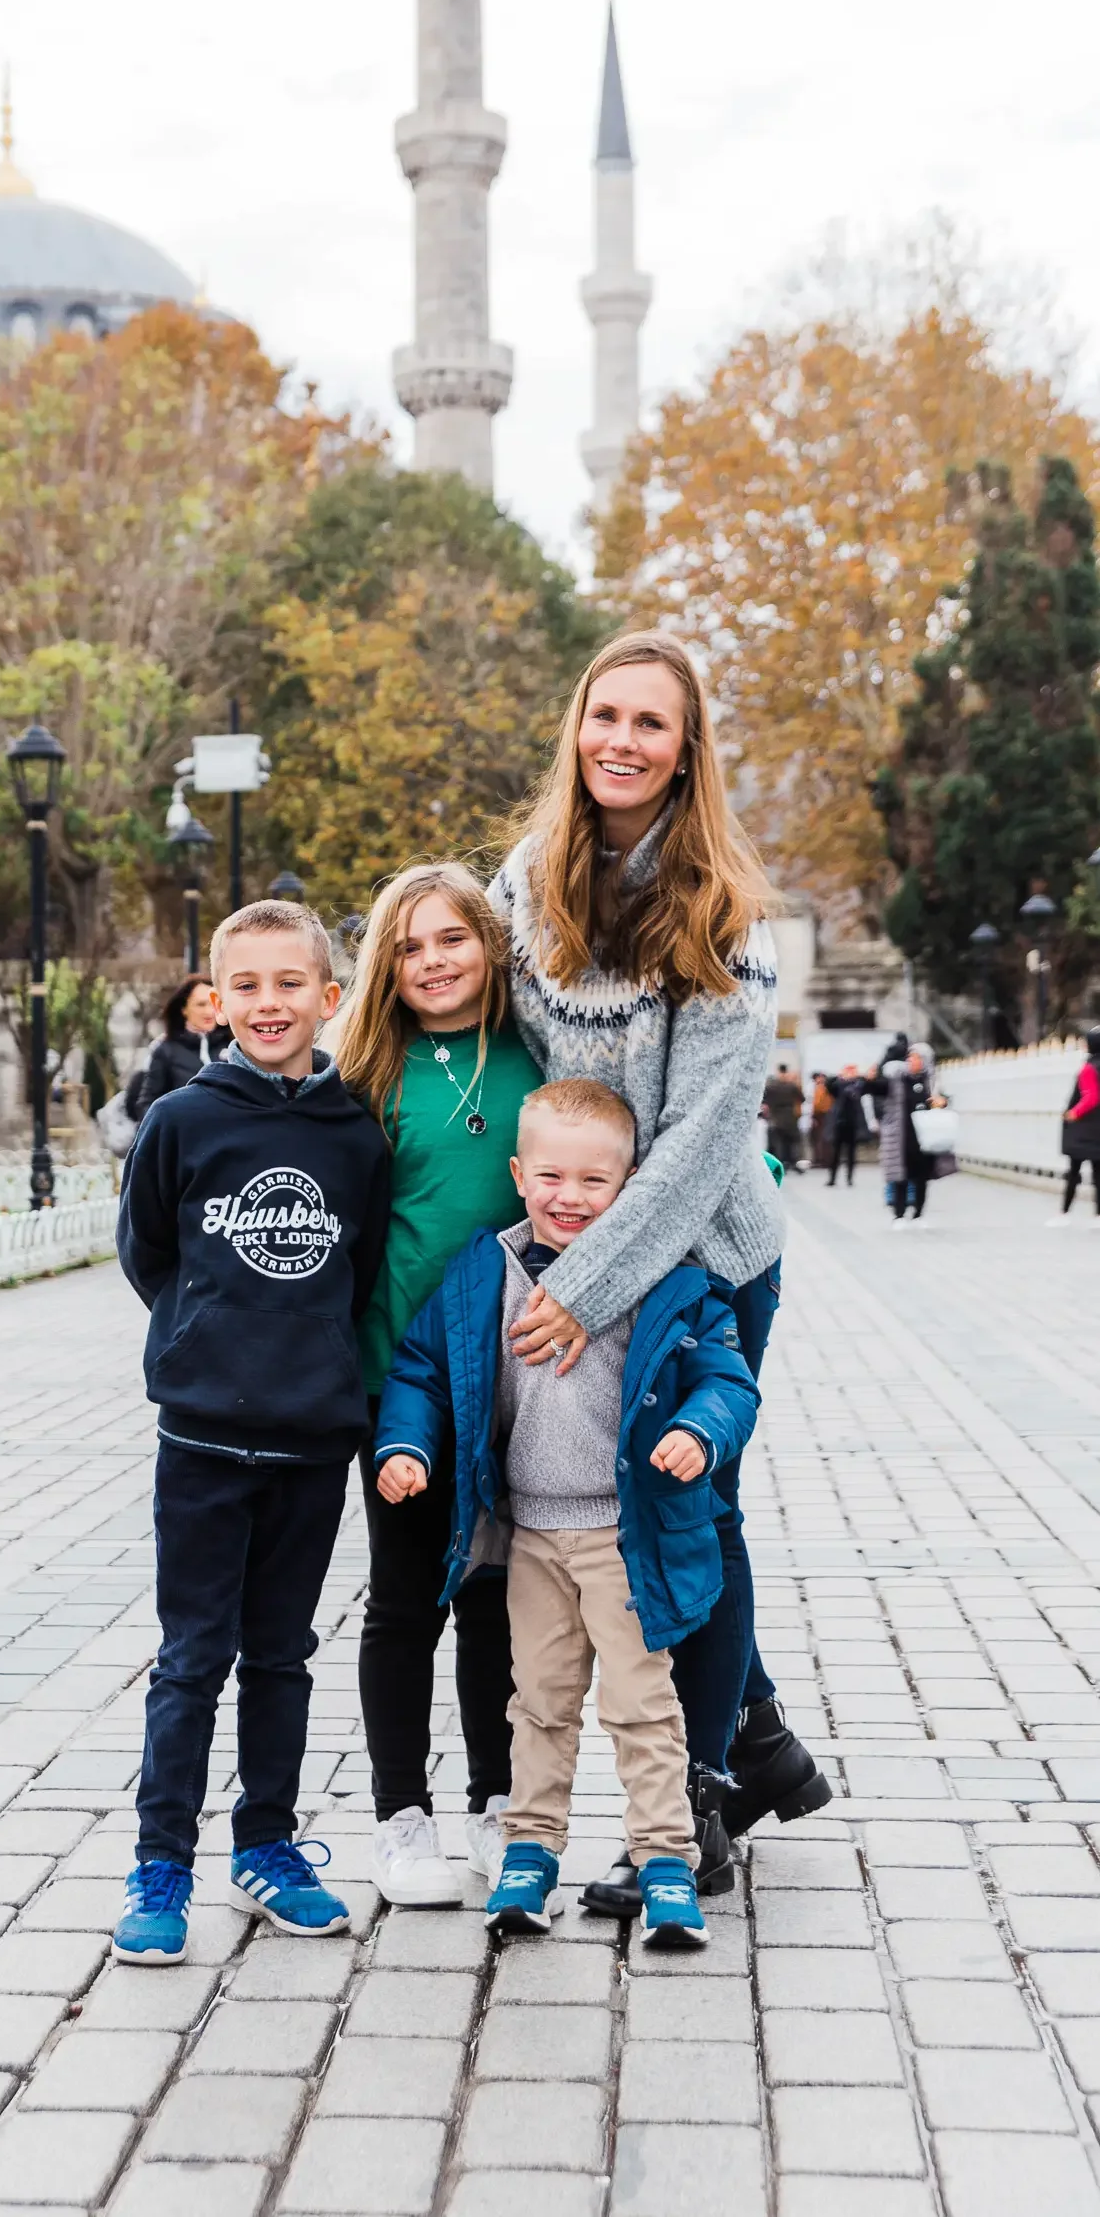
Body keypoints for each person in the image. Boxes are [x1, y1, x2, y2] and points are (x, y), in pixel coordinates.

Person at [487, 628, 828, 1921]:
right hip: (574, 1247)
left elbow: (696, 1150)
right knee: (619, 1520)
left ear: (688, 754)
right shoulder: (531, 884)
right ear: (578, 729)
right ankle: (762, 1735)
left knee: (687, 1513)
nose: (621, 742)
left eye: (651, 725)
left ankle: (694, 1805)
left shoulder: (725, 912)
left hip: (705, 1264)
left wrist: (583, 1293)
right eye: (604, 717)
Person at [374, 1078, 759, 1950]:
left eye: (596, 1182)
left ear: (630, 1189)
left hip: (628, 1538)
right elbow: (422, 1372)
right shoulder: (483, 1275)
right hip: (530, 1541)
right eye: (553, 1176)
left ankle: (666, 1857)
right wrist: (407, 1448)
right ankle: (530, 1852)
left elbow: (726, 1379)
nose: (571, 1198)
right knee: (538, 1703)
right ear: (517, 1173)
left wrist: (700, 1430)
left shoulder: (668, 1278)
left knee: (640, 1705)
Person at [110, 898, 392, 1965]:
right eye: (248, 987)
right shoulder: (182, 1120)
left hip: (313, 1439)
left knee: (282, 1654)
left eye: (292, 985)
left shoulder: (354, 1131)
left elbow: (359, 1271)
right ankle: (161, 1864)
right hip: (203, 1441)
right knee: (193, 1657)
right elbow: (146, 1252)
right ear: (215, 1002)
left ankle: (268, 1845)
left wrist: (307, 1354)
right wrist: (205, 1340)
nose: (269, 1005)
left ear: (329, 999)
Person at [333, 862, 541, 1907]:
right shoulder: (368, 1071)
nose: (431, 962)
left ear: (490, 944)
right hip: (399, 1381)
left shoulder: (539, 1055)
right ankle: (400, 1815)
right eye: (409, 946)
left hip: (522, 1377)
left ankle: (499, 1805)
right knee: (405, 1599)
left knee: (495, 1601)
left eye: (451, 939)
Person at [125, 976, 222, 1123]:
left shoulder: (235, 1046)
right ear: (184, 1009)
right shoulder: (165, 1050)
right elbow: (147, 1104)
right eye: (201, 1005)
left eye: (213, 1004)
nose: (209, 1011)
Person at [876, 1043, 933, 1220]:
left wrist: (941, 1103)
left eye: (915, 1057)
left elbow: (943, 1102)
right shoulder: (898, 1079)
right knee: (900, 1175)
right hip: (902, 1136)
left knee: (921, 1177)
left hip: (924, 1138)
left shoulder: (930, 1082)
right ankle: (899, 1214)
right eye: (910, 1057)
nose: (911, 1060)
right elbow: (877, 1089)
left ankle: (918, 1212)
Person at [1063, 1031, 1100, 1214]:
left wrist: (1073, 1113)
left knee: (1073, 1172)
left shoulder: (1088, 1068)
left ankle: (1064, 1212)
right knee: (1098, 1173)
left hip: (1084, 1130)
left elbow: (1091, 1096)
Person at [826, 1066, 864, 1187]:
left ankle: (850, 1178)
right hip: (839, 1123)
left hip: (853, 1123)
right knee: (835, 1153)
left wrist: (858, 1077)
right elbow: (828, 1085)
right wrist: (839, 1076)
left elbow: (868, 1085)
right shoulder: (839, 1085)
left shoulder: (858, 1085)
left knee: (851, 1154)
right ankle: (832, 1178)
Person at [762, 1064, 803, 1172]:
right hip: (790, 1117)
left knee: (778, 1143)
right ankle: (791, 1163)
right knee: (790, 1142)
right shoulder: (791, 1086)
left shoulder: (771, 1086)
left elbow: (764, 1099)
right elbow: (802, 1098)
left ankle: (780, 1164)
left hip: (776, 1118)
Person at [807, 1072, 834, 1173]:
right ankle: (822, 1159)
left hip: (822, 1116)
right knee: (820, 1139)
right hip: (821, 1116)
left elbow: (817, 1104)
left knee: (822, 1139)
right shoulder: (822, 1088)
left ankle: (823, 1160)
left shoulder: (822, 1089)